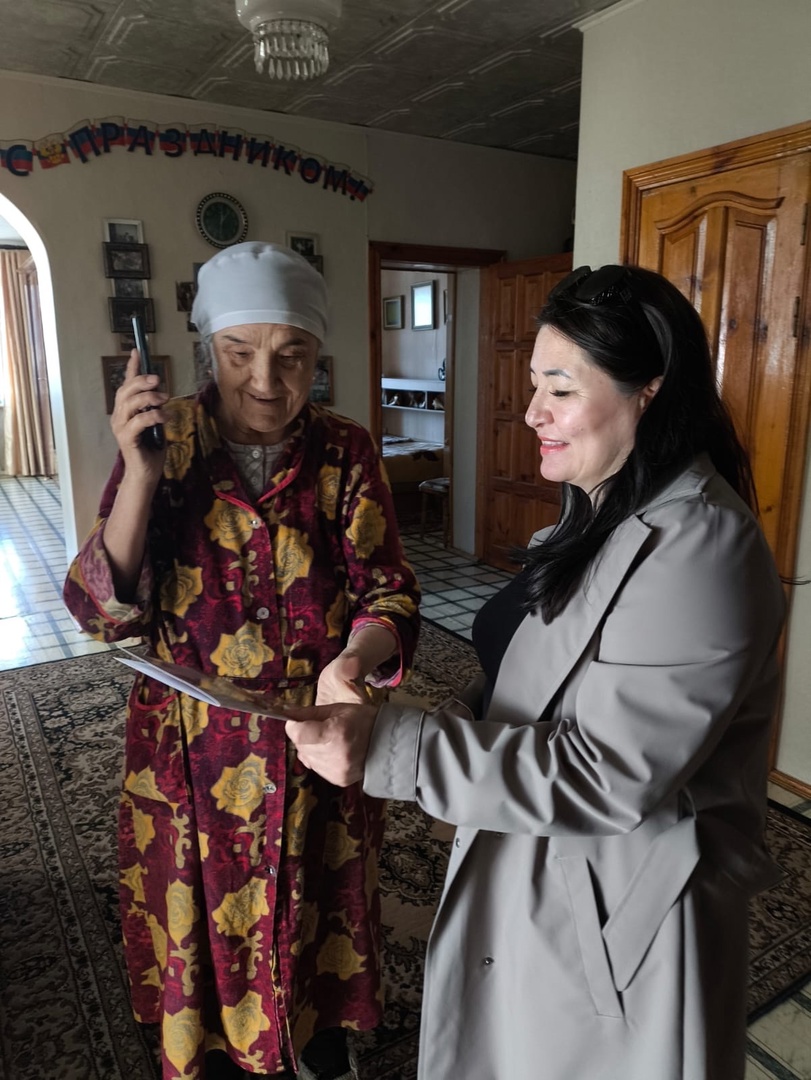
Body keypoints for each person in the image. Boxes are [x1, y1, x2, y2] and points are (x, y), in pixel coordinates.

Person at [284, 264, 786, 1080]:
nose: (530, 413)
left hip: (621, 917)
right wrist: (406, 714)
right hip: (541, 865)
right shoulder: (594, 514)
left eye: (559, 388)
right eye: (532, 385)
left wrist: (390, 748)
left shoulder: (700, 547)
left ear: (648, 392)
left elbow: (606, 773)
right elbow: (534, 689)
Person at [63, 241, 421, 1080]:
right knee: (203, 914)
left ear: (317, 355)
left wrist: (352, 662)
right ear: (205, 350)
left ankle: (315, 1043)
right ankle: (217, 1053)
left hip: (315, 734)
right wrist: (141, 475)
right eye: (238, 353)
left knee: (317, 906)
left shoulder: (345, 450)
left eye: (291, 355)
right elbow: (102, 610)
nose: (265, 379)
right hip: (193, 748)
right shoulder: (168, 440)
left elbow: (390, 592)